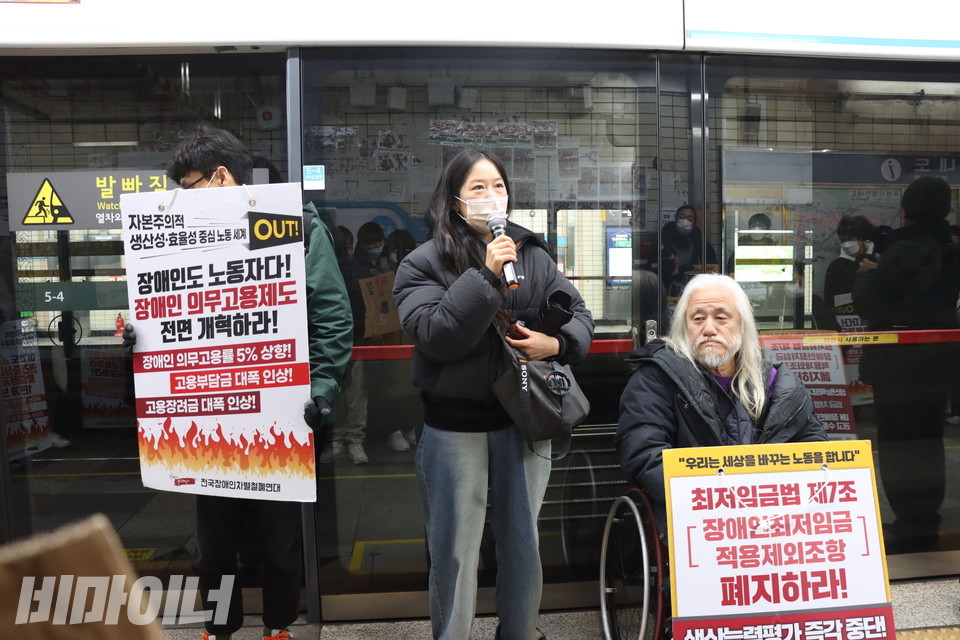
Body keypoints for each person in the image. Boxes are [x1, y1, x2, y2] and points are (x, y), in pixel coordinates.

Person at [146, 126, 352, 640]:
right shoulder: (182, 234)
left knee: (279, 541)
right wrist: (140, 334)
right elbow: (165, 307)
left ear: (220, 176)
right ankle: (219, 628)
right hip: (210, 415)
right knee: (213, 544)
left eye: (187, 185)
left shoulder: (290, 226)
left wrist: (323, 388)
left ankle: (279, 627)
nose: (180, 198)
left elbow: (332, 316)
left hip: (279, 413)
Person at [393, 149, 594, 640]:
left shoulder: (532, 254)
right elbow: (438, 336)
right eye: (477, 188)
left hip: (523, 421)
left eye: (498, 186)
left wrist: (559, 343)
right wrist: (484, 276)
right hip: (453, 429)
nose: (491, 196)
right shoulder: (422, 263)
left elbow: (581, 316)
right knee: (455, 551)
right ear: (455, 199)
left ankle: (520, 633)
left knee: (523, 544)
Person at [616, 273, 826, 533]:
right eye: (698, 318)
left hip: (776, 521)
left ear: (742, 325)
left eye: (721, 317)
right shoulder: (656, 378)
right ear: (684, 327)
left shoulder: (776, 382)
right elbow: (645, 455)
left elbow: (815, 451)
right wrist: (725, 507)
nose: (709, 328)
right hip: (695, 522)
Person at [853, 175, 960, 554]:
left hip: (898, 362)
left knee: (899, 444)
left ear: (905, 210)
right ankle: (923, 521)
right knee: (929, 441)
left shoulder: (904, 249)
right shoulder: (947, 246)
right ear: (945, 209)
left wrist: (868, 275)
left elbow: (874, 303)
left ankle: (912, 527)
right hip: (937, 360)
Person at [660, 204, 718, 297]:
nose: (685, 221)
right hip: (667, 294)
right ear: (675, 220)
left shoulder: (704, 248)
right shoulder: (662, 245)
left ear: (694, 224)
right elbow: (655, 272)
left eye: (689, 218)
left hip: (696, 293)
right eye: (682, 217)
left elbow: (713, 275)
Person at [823, 215, 878, 312]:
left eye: (850, 239)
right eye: (843, 241)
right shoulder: (836, 266)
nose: (847, 244)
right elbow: (830, 299)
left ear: (861, 238)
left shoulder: (879, 258)